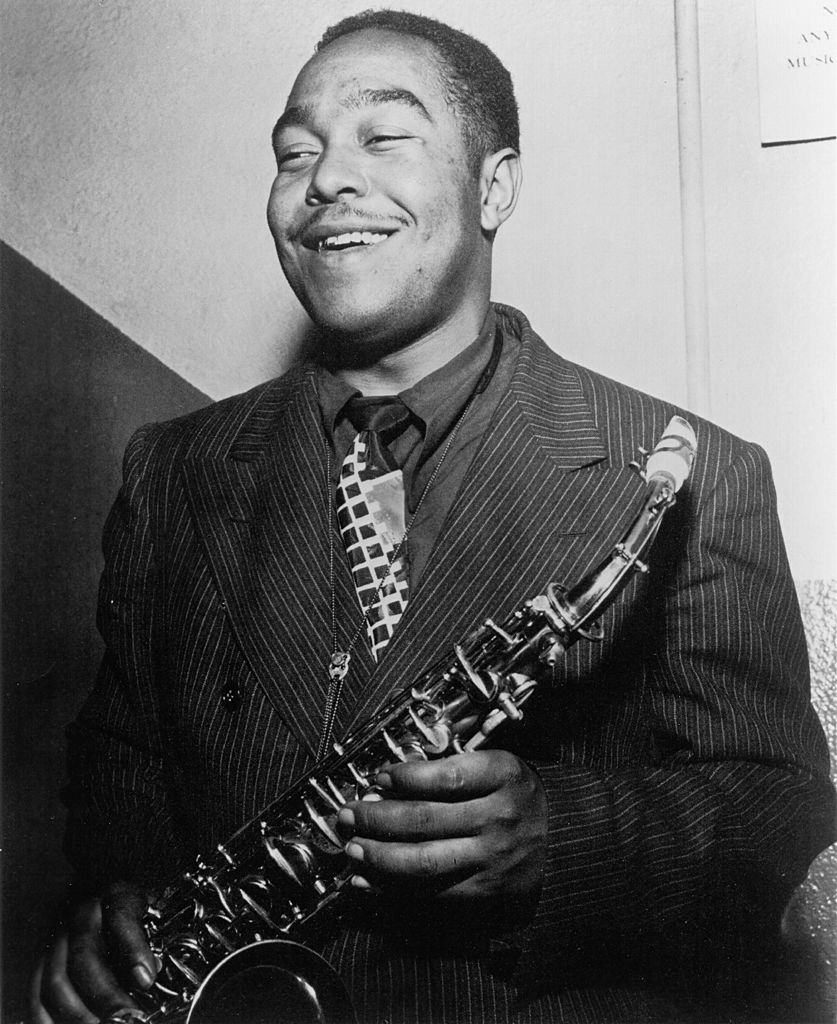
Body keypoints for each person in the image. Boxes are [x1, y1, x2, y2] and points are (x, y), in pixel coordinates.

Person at [32, 10, 834, 1024]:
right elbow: (124, 767)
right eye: (295, 153)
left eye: (384, 136)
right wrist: (114, 907)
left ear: (494, 185)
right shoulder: (170, 470)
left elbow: (779, 807)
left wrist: (563, 838)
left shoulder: (692, 469)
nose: (324, 180)